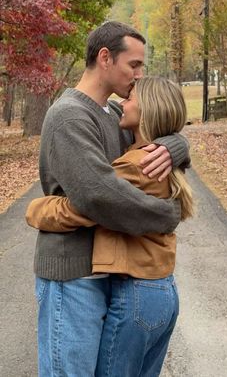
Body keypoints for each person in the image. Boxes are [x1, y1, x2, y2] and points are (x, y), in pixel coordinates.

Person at [30, 21, 190, 377]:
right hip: (71, 276)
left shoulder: (115, 114)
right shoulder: (69, 115)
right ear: (105, 58)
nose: (139, 75)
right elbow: (99, 196)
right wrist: (166, 214)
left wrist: (174, 145)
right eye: (134, 65)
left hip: (104, 272)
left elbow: (155, 133)